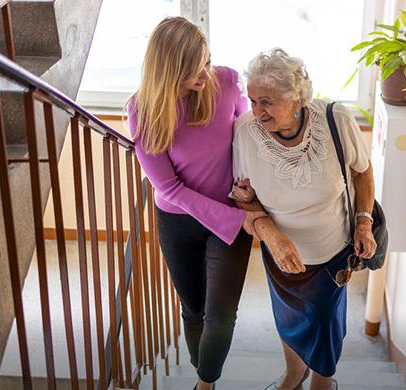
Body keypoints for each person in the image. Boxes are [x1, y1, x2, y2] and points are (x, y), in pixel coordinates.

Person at [126, 16, 266, 390]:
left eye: (207, 60)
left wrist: (247, 201)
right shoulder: (142, 110)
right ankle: (205, 368)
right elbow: (169, 188)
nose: (206, 73)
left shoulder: (227, 80)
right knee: (193, 310)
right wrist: (234, 219)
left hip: (232, 215)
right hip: (178, 220)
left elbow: (247, 141)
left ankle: (205, 382)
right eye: (194, 68)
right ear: (169, 70)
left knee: (221, 314)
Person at [230, 48, 377, 390]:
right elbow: (244, 198)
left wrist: (364, 222)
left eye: (266, 101)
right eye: (251, 101)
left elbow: (363, 172)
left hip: (332, 252)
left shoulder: (336, 119)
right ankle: (294, 374)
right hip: (280, 254)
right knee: (289, 318)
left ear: (295, 98)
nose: (257, 112)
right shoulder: (244, 132)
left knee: (324, 322)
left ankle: (323, 381)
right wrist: (270, 235)